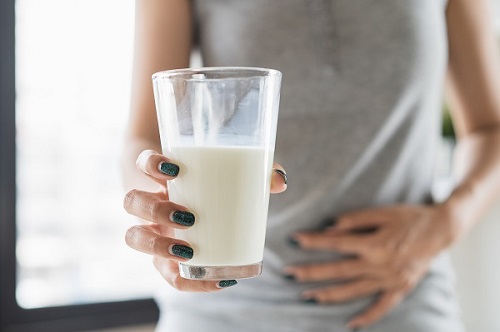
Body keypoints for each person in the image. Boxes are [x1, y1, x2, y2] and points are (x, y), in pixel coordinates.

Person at [122, 0, 500, 331]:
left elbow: (490, 128)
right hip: (221, 303)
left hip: (401, 303)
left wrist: (448, 222)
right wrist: (159, 216)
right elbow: (146, 136)